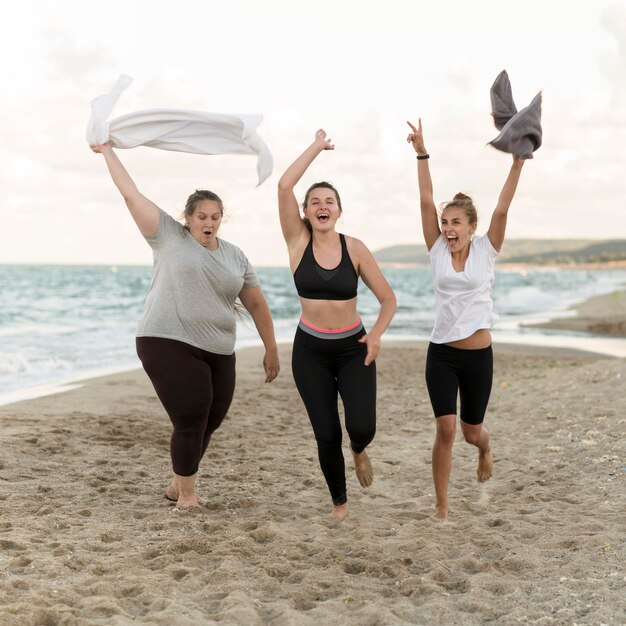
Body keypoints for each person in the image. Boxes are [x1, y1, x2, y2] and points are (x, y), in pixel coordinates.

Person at [91, 143, 280, 508]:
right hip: (165, 339)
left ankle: (178, 483)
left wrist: (271, 348)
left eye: (215, 217)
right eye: (202, 217)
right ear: (188, 217)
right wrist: (107, 152)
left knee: (211, 418)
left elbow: (256, 303)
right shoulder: (167, 235)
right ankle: (189, 498)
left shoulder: (235, 255)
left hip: (219, 348)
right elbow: (131, 195)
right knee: (192, 412)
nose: (208, 223)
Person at [406, 118, 525, 522]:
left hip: (478, 356)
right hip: (441, 354)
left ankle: (486, 449)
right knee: (446, 430)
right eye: (446, 222)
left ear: (472, 228)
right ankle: (442, 507)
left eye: (456, 223)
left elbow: (503, 206)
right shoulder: (437, 249)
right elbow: (425, 201)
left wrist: (518, 162)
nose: (448, 228)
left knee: (472, 433)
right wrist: (422, 153)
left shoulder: (487, 250)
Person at [277, 129, 397, 521]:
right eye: (314, 202)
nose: (321, 206)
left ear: (339, 211)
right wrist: (316, 146)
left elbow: (388, 299)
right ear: (306, 211)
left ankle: (359, 450)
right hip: (310, 351)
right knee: (327, 433)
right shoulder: (297, 242)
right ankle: (340, 504)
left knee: (362, 428)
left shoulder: (355, 248)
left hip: (353, 348)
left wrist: (375, 335)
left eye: (329, 201)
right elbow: (283, 184)